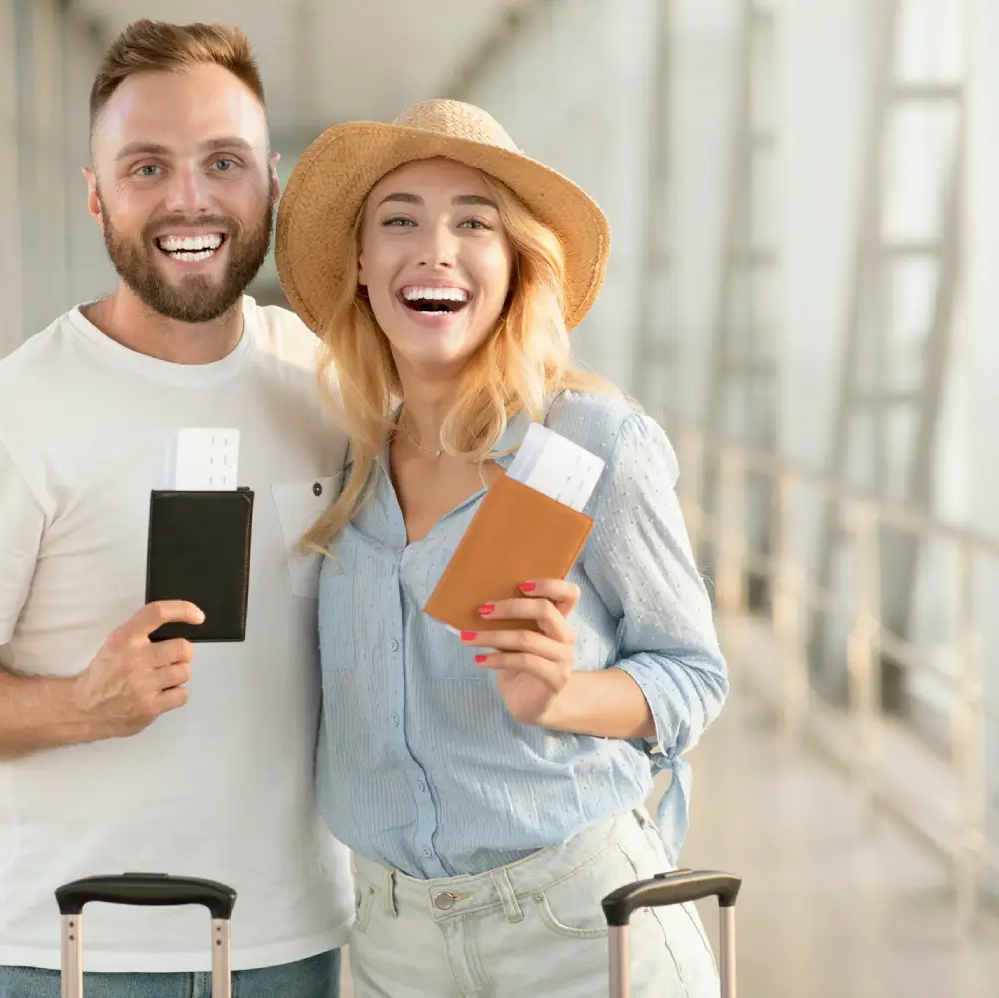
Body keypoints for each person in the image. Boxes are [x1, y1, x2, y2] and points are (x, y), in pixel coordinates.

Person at [0, 20, 352, 998]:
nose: (189, 198)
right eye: (147, 167)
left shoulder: (328, 386)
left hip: (291, 941)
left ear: (268, 181)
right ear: (95, 194)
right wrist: (75, 704)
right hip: (73, 951)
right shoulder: (4, 422)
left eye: (221, 161)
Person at [273, 99, 730, 995]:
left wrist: (566, 694)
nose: (434, 248)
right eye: (398, 220)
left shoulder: (593, 444)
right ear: (362, 267)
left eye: (472, 223)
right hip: (392, 948)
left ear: (516, 263)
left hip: (581, 931)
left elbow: (694, 676)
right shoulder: (346, 468)